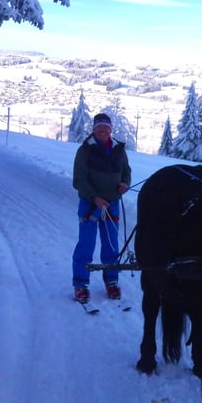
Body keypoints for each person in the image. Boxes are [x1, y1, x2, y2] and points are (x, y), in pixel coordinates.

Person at [72, 112, 131, 302]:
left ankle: (111, 281)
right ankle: (80, 284)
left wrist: (125, 184)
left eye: (106, 127)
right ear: (94, 129)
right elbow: (79, 180)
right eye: (99, 127)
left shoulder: (119, 150)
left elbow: (126, 171)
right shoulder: (85, 150)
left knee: (112, 247)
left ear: (111, 130)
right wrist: (94, 198)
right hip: (90, 205)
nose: (103, 130)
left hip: (112, 204)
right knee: (86, 246)